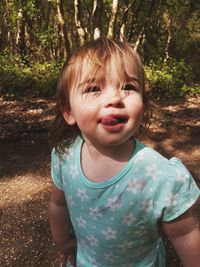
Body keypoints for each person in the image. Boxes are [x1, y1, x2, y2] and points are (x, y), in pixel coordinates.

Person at [49, 37, 200, 267]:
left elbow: (184, 235)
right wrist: (62, 241)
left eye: (128, 87)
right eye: (93, 88)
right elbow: (58, 204)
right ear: (68, 111)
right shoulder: (65, 157)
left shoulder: (159, 176)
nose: (115, 98)